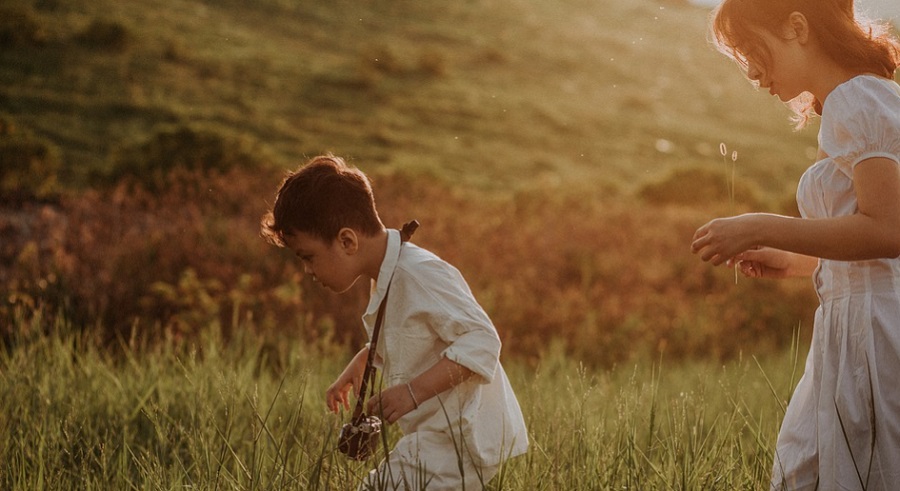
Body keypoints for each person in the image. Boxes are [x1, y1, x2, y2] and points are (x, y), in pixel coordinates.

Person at [690, 1, 900, 489]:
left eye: (750, 50)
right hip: (849, 329)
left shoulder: (857, 100)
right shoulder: (853, 102)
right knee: (805, 473)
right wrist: (794, 261)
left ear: (797, 26)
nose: (751, 72)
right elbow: (863, 241)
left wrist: (764, 226)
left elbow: (888, 230)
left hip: (875, 334)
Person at [260, 154, 528, 490]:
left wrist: (412, 392)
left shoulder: (417, 274)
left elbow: (482, 341)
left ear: (347, 241)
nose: (308, 271)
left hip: (462, 437)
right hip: (438, 436)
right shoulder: (391, 273)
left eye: (308, 257)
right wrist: (366, 359)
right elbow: (417, 334)